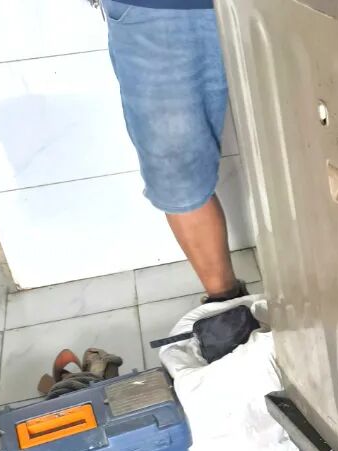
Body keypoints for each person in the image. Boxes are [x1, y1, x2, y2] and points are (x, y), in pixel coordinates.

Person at [101, 0, 246, 302]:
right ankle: (228, 312)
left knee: (317, 141)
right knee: (178, 177)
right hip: (157, 10)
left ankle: (330, 300)